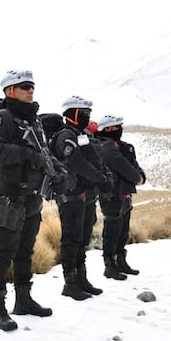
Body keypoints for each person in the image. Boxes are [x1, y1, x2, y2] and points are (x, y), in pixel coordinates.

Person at [0, 70, 62, 331]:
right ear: (10, 91)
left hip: (30, 196)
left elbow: (43, 152)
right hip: (9, 196)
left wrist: (57, 168)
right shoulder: (1, 119)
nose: (30, 90)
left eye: (32, 87)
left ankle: (24, 300)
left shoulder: (33, 122)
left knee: (26, 250)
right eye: (24, 86)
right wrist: (28, 154)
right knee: (5, 251)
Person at [51, 95, 110, 301]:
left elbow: (93, 159)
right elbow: (77, 162)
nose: (87, 117)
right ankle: (70, 283)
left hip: (86, 196)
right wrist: (98, 178)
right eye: (84, 113)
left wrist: (102, 177)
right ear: (72, 114)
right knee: (71, 239)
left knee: (83, 238)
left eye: (88, 114)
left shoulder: (81, 134)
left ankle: (81, 279)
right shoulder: (65, 136)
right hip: (71, 196)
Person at [94, 115, 146, 277]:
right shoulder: (106, 147)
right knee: (112, 231)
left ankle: (120, 262)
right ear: (108, 129)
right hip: (111, 195)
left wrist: (139, 176)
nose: (120, 129)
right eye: (117, 126)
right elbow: (125, 167)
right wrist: (138, 178)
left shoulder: (121, 146)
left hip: (123, 194)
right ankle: (110, 266)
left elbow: (133, 166)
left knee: (122, 230)